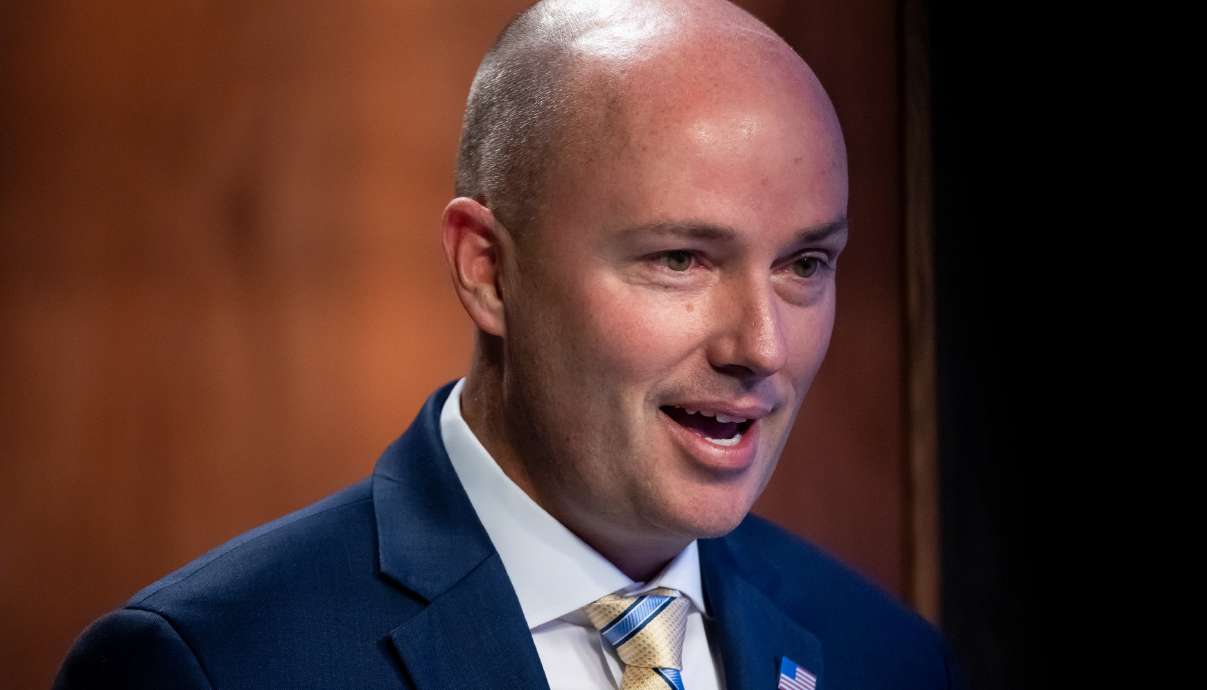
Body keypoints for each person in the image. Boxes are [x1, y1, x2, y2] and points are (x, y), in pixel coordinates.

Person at [55, 1, 963, 688]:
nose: (763, 347)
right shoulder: (210, 664)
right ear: (487, 270)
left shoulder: (887, 656)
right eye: (682, 258)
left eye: (805, 263)